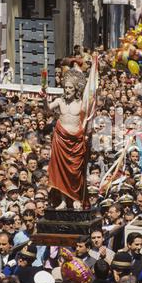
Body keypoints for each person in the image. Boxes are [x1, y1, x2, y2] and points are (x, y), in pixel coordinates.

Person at [42, 69, 89, 210]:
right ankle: (63, 200)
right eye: (66, 87)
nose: (67, 90)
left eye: (70, 88)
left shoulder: (82, 103)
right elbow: (47, 110)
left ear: (76, 90)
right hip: (60, 139)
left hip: (76, 141)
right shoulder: (59, 101)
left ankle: (75, 198)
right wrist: (44, 98)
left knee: (75, 172)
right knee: (60, 171)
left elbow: (88, 118)